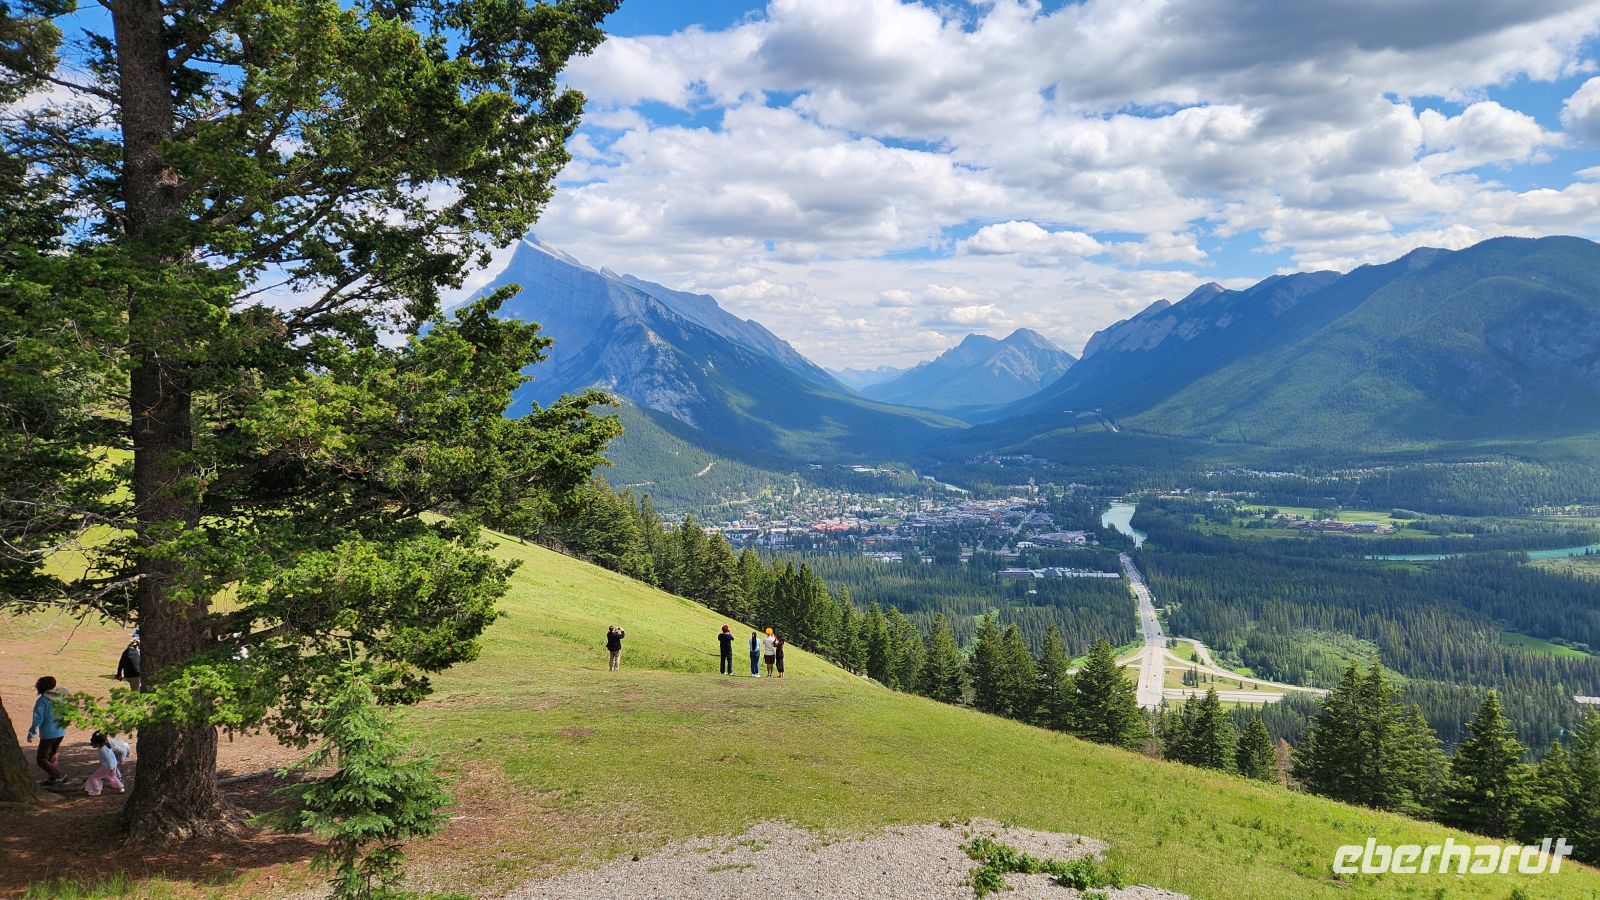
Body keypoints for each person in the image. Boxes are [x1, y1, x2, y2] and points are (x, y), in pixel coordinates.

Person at [25, 676, 67, 785]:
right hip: (61, 731)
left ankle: (59, 775)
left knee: (41, 759)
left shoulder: (42, 700)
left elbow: (38, 718)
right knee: (52, 755)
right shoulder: (61, 697)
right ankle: (54, 777)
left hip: (49, 733)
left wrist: (31, 733)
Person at [84, 732, 128, 796]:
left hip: (107, 767)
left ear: (98, 743)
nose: (92, 745)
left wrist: (110, 767)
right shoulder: (107, 746)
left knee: (93, 777)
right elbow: (112, 757)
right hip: (113, 766)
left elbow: (108, 759)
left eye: (93, 743)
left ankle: (97, 790)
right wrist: (113, 766)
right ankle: (121, 788)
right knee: (113, 777)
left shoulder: (103, 750)